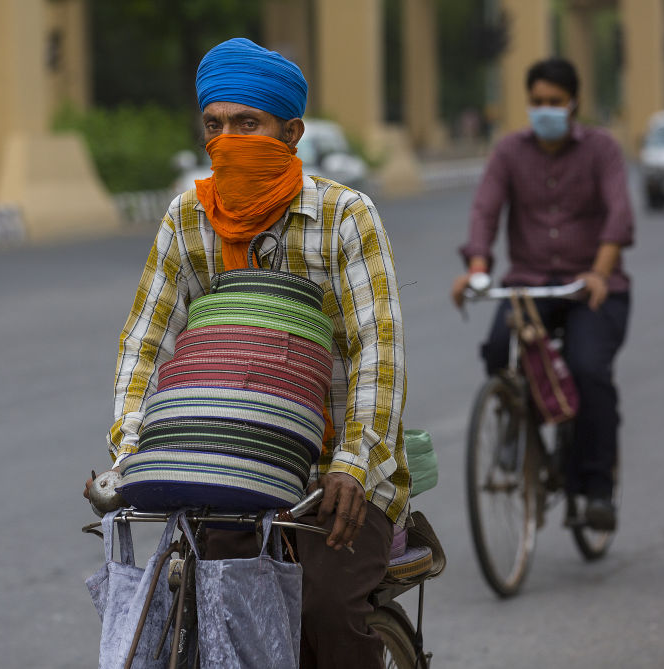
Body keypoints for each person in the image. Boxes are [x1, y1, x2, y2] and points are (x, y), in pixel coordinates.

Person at [85, 38, 409, 668]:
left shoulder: (345, 217)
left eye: (248, 124)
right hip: (221, 463)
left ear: (291, 133)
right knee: (192, 604)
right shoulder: (186, 219)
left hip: (336, 476)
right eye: (215, 125)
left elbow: (379, 351)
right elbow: (144, 343)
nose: (228, 139)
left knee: (322, 609)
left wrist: (352, 463)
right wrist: (129, 453)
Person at [450, 57, 633, 531]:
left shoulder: (602, 149)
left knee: (588, 368)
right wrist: (477, 267)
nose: (544, 109)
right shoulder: (510, 151)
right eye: (537, 102)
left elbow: (618, 215)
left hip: (589, 288)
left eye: (554, 102)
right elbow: (485, 211)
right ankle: (516, 428)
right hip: (528, 285)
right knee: (496, 349)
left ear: (574, 103)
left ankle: (596, 487)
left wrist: (599, 271)